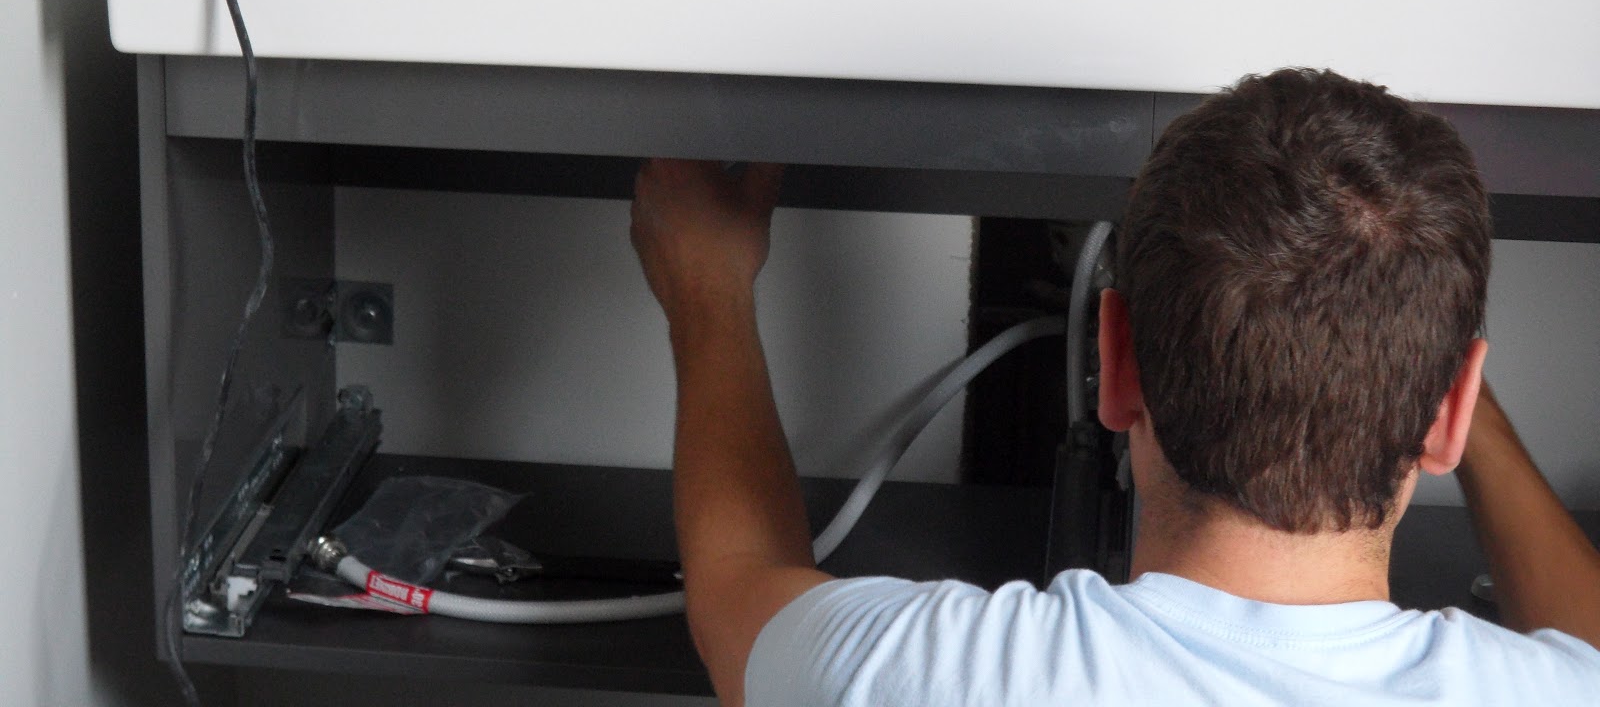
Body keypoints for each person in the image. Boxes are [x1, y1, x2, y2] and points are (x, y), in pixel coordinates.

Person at [629, 68, 1600, 706]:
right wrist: (1417, 361)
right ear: (1451, 416)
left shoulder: (937, 675)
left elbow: (733, 603)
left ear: (1116, 363)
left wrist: (707, 293)